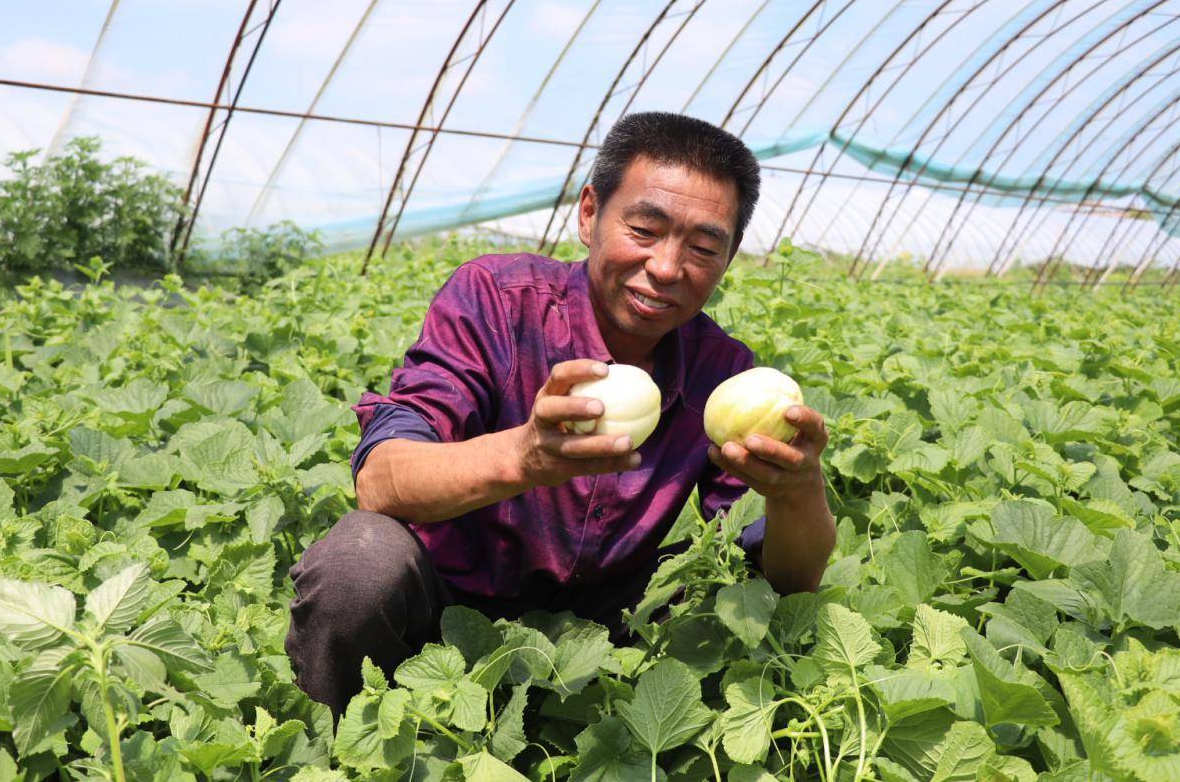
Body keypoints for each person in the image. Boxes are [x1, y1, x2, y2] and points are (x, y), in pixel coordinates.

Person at [285, 111, 837, 717]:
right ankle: (340, 748)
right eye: (645, 229)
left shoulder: (721, 371)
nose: (666, 268)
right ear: (588, 213)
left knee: (735, 613)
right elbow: (381, 480)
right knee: (359, 565)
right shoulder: (493, 300)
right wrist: (522, 456)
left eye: (704, 247)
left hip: (599, 647)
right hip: (443, 619)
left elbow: (786, 581)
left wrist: (798, 491)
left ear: (728, 260)